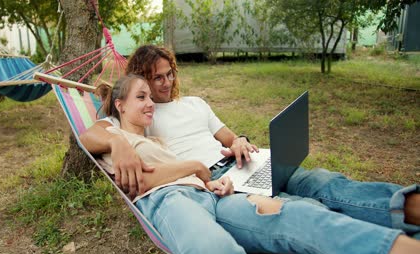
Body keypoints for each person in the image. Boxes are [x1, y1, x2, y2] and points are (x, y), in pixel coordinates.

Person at [80, 44, 420, 238]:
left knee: (322, 181)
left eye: (170, 74)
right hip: (218, 182)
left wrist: (241, 141)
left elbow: (229, 135)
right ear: (141, 80)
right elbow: (93, 133)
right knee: (307, 209)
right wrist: (117, 141)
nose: (166, 83)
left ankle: (408, 206)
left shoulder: (195, 103)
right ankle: (392, 234)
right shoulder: (142, 112)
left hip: (242, 163)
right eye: (157, 78)